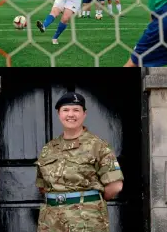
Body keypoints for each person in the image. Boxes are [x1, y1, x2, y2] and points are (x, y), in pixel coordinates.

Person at [35, 92, 124, 232]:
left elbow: (115, 186)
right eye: (66, 110)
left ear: (84, 114)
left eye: (76, 110)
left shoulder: (98, 146)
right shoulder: (48, 149)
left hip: (86, 220)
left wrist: (91, 201)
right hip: (51, 221)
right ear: (59, 114)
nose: (71, 114)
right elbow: (42, 186)